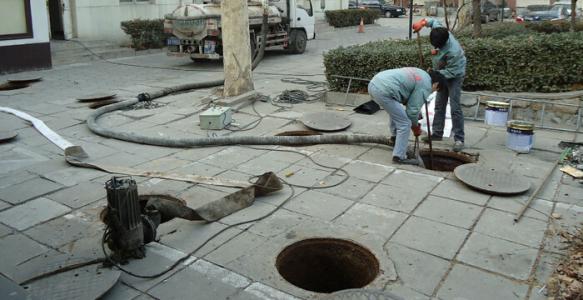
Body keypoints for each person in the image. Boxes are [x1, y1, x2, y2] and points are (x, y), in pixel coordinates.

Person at [368, 67, 445, 165]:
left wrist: (416, 115)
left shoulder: (422, 73)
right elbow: (412, 111)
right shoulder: (426, 85)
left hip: (374, 83)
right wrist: (415, 126)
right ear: (436, 84)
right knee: (405, 124)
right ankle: (399, 156)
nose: (432, 91)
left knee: (397, 112)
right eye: (435, 90)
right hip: (384, 90)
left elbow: (407, 97)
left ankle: (395, 138)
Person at [412, 18, 467, 152]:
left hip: (454, 75)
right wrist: (422, 23)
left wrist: (433, 74)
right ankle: (437, 133)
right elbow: (432, 21)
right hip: (441, 70)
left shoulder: (453, 51)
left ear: (443, 44)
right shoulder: (439, 31)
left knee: (455, 107)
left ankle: (459, 139)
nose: (435, 47)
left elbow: (452, 71)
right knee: (439, 104)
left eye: (438, 46)